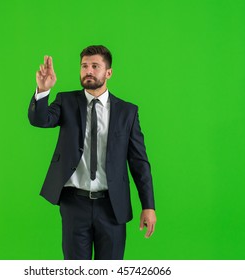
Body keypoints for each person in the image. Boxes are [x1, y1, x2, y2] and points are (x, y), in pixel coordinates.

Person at [28, 45, 156, 260]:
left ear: (108, 73)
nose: (88, 71)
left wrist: (148, 206)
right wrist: (43, 91)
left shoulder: (127, 112)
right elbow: (40, 120)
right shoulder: (65, 101)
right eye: (84, 66)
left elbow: (139, 162)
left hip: (112, 205)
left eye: (95, 66)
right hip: (74, 203)